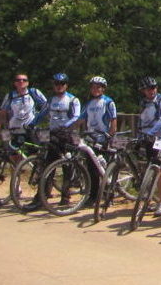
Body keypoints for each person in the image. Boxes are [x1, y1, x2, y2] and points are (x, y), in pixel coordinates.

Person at [29, 73, 81, 208]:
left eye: (62, 84)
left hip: (67, 135)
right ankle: (42, 196)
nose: (59, 86)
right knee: (47, 165)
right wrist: (32, 124)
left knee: (67, 166)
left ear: (66, 85)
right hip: (52, 135)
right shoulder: (51, 100)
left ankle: (65, 197)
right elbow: (42, 114)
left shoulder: (73, 100)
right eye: (56, 84)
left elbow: (76, 117)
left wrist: (65, 126)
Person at [77, 76, 118, 206]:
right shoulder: (88, 103)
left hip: (103, 138)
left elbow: (113, 120)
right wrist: (69, 129)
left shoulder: (108, 102)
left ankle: (108, 195)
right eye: (93, 87)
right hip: (91, 138)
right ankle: (93, 196)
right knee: (92, 169)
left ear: (103, 89)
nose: (95, 90)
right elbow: (81, 119)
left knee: (103, 168)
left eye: (98, 87)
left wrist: (110, 135)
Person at [136, 76, 161, 217]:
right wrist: (140, 134)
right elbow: (141, 119)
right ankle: (150, 199)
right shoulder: (144, 102)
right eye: (148, 89)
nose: (151, 91)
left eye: (153, 88)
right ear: (143, 91)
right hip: (148, 138)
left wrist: (150, 132)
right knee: (150, 168)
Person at [0, 73, 47, 154]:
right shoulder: (10, 96)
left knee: (37, 153)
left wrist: (40, 119)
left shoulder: (34, 92)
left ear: (28, 83)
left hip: (31, 128)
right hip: (14, 128)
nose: (21, 81)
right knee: (10, 152)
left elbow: (46, 106)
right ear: (15, 83)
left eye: (24, 80)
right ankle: (18, 166)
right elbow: (3, 113)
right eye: (18, 80)